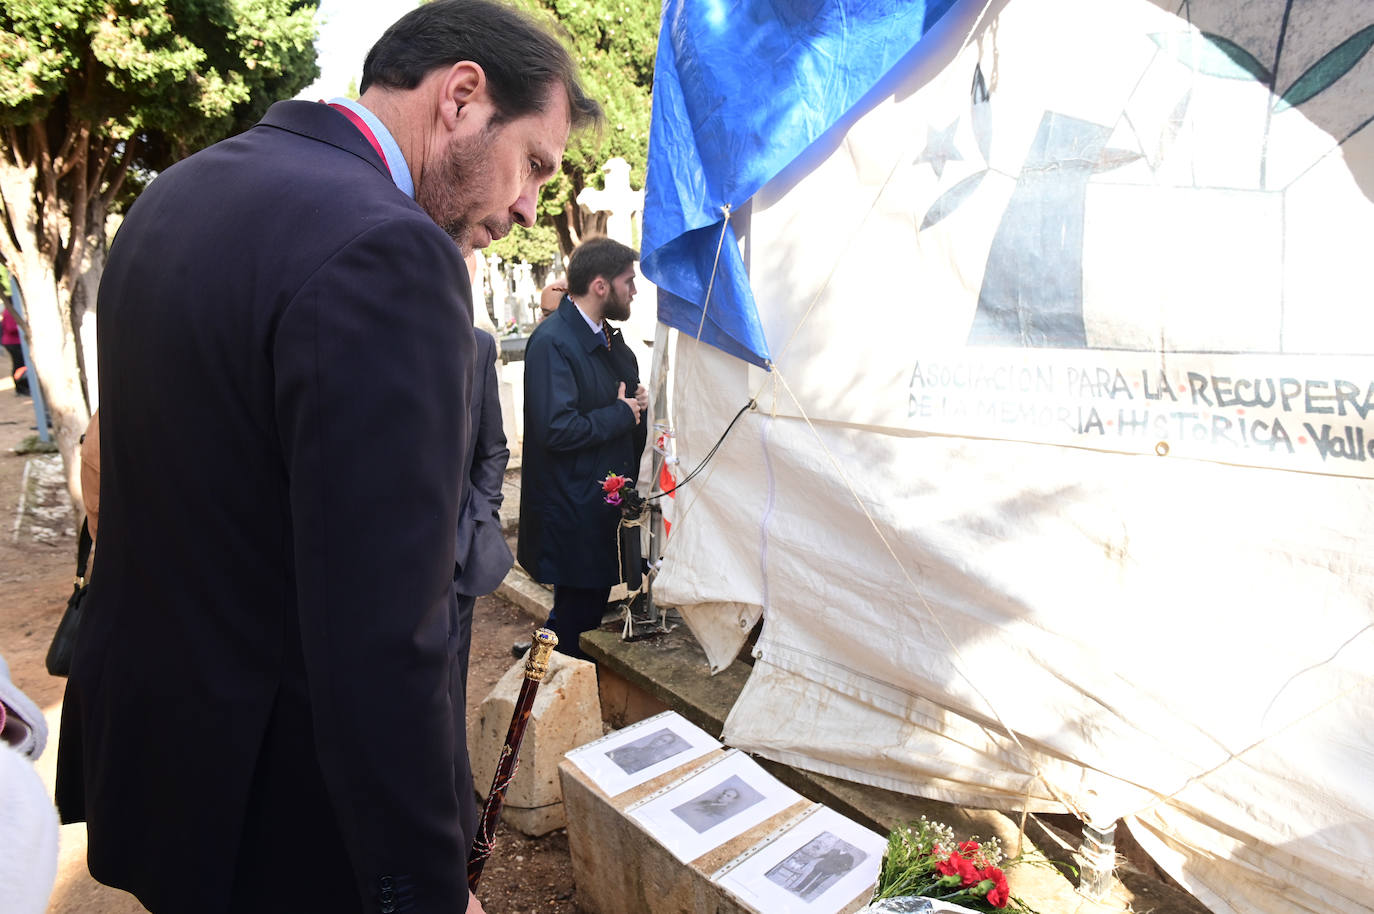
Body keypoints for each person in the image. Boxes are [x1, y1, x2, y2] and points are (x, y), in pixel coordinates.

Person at [54, 3, 601, 913]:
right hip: (285, 824)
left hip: (160, 774)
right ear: (462, 97)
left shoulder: (175, 194)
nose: (528, 206)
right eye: (534, 163)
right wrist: (422, 883)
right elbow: (385, 629)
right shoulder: (392, 250)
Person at [518, 237, 647, 659]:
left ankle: (550, 686)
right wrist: (620, 413)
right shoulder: (553, 341)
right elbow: (556, 428)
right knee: (572, 622)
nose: (634, 290)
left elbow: (616, 397)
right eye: (628, 281)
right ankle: (541, 694)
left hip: (596, 504)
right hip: (570, 511)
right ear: (600, 285)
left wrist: (634, 405)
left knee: (582, 614)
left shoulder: (607, 338)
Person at [453, 327, 514, 689]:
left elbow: (492, 448)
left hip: (459, 554)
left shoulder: (479, 345)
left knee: (453, 683)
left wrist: (481, 516)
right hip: (390, 565)